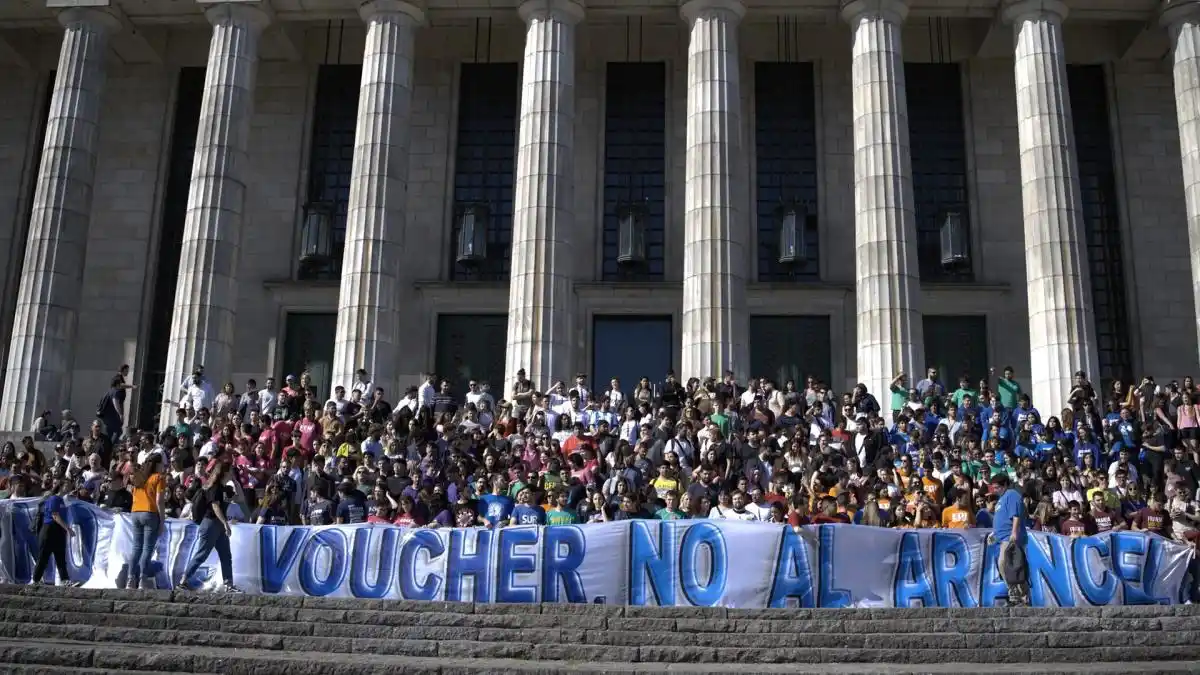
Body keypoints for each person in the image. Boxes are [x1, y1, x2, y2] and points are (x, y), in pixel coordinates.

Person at [178, 461, 241, 593]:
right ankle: (183, 581)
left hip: (218, 525)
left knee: (225, 555)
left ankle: (228, 584)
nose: (232, 472)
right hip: (211, 523)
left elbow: (240, 498)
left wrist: (235, 481)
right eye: (230, 470)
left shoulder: (224, 489)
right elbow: (215, 505)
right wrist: (225, 523)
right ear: (224, 472)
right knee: (202, 554)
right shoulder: (215, 487)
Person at [125, 452, 167, 590]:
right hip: (150, 513)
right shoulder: (159, 478)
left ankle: (130, 580)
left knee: (136, 547)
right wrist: (162, 521)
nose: (163, 466)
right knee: (147, 548)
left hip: (135, 512)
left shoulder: (139, 478)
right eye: (162, 463)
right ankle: (143, 579)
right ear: (157, 464)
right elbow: (159, 501)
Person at [31, 479, 80, 587]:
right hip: (49, 529)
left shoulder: (63, 501)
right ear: (61, 486)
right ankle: (36, 580)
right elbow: (55, 515)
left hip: (59, 531)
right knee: (44, 557)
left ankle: (65, 580)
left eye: (70, 485)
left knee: (61, 558)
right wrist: (68, 528)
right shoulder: (54, 498)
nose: (69, 487)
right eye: (67, 485)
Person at [990, 473, 1029, 606]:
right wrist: (994, 534)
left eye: (997, 487)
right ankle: (1021, 596)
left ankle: (1015, 594)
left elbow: (1016, 516)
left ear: (1005, 485)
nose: (995, 490)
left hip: (1009, 537)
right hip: (1001, 538)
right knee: (1011, 567)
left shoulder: (1011, 495)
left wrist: (1014, 532)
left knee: (1005, 564)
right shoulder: (1001, 498)